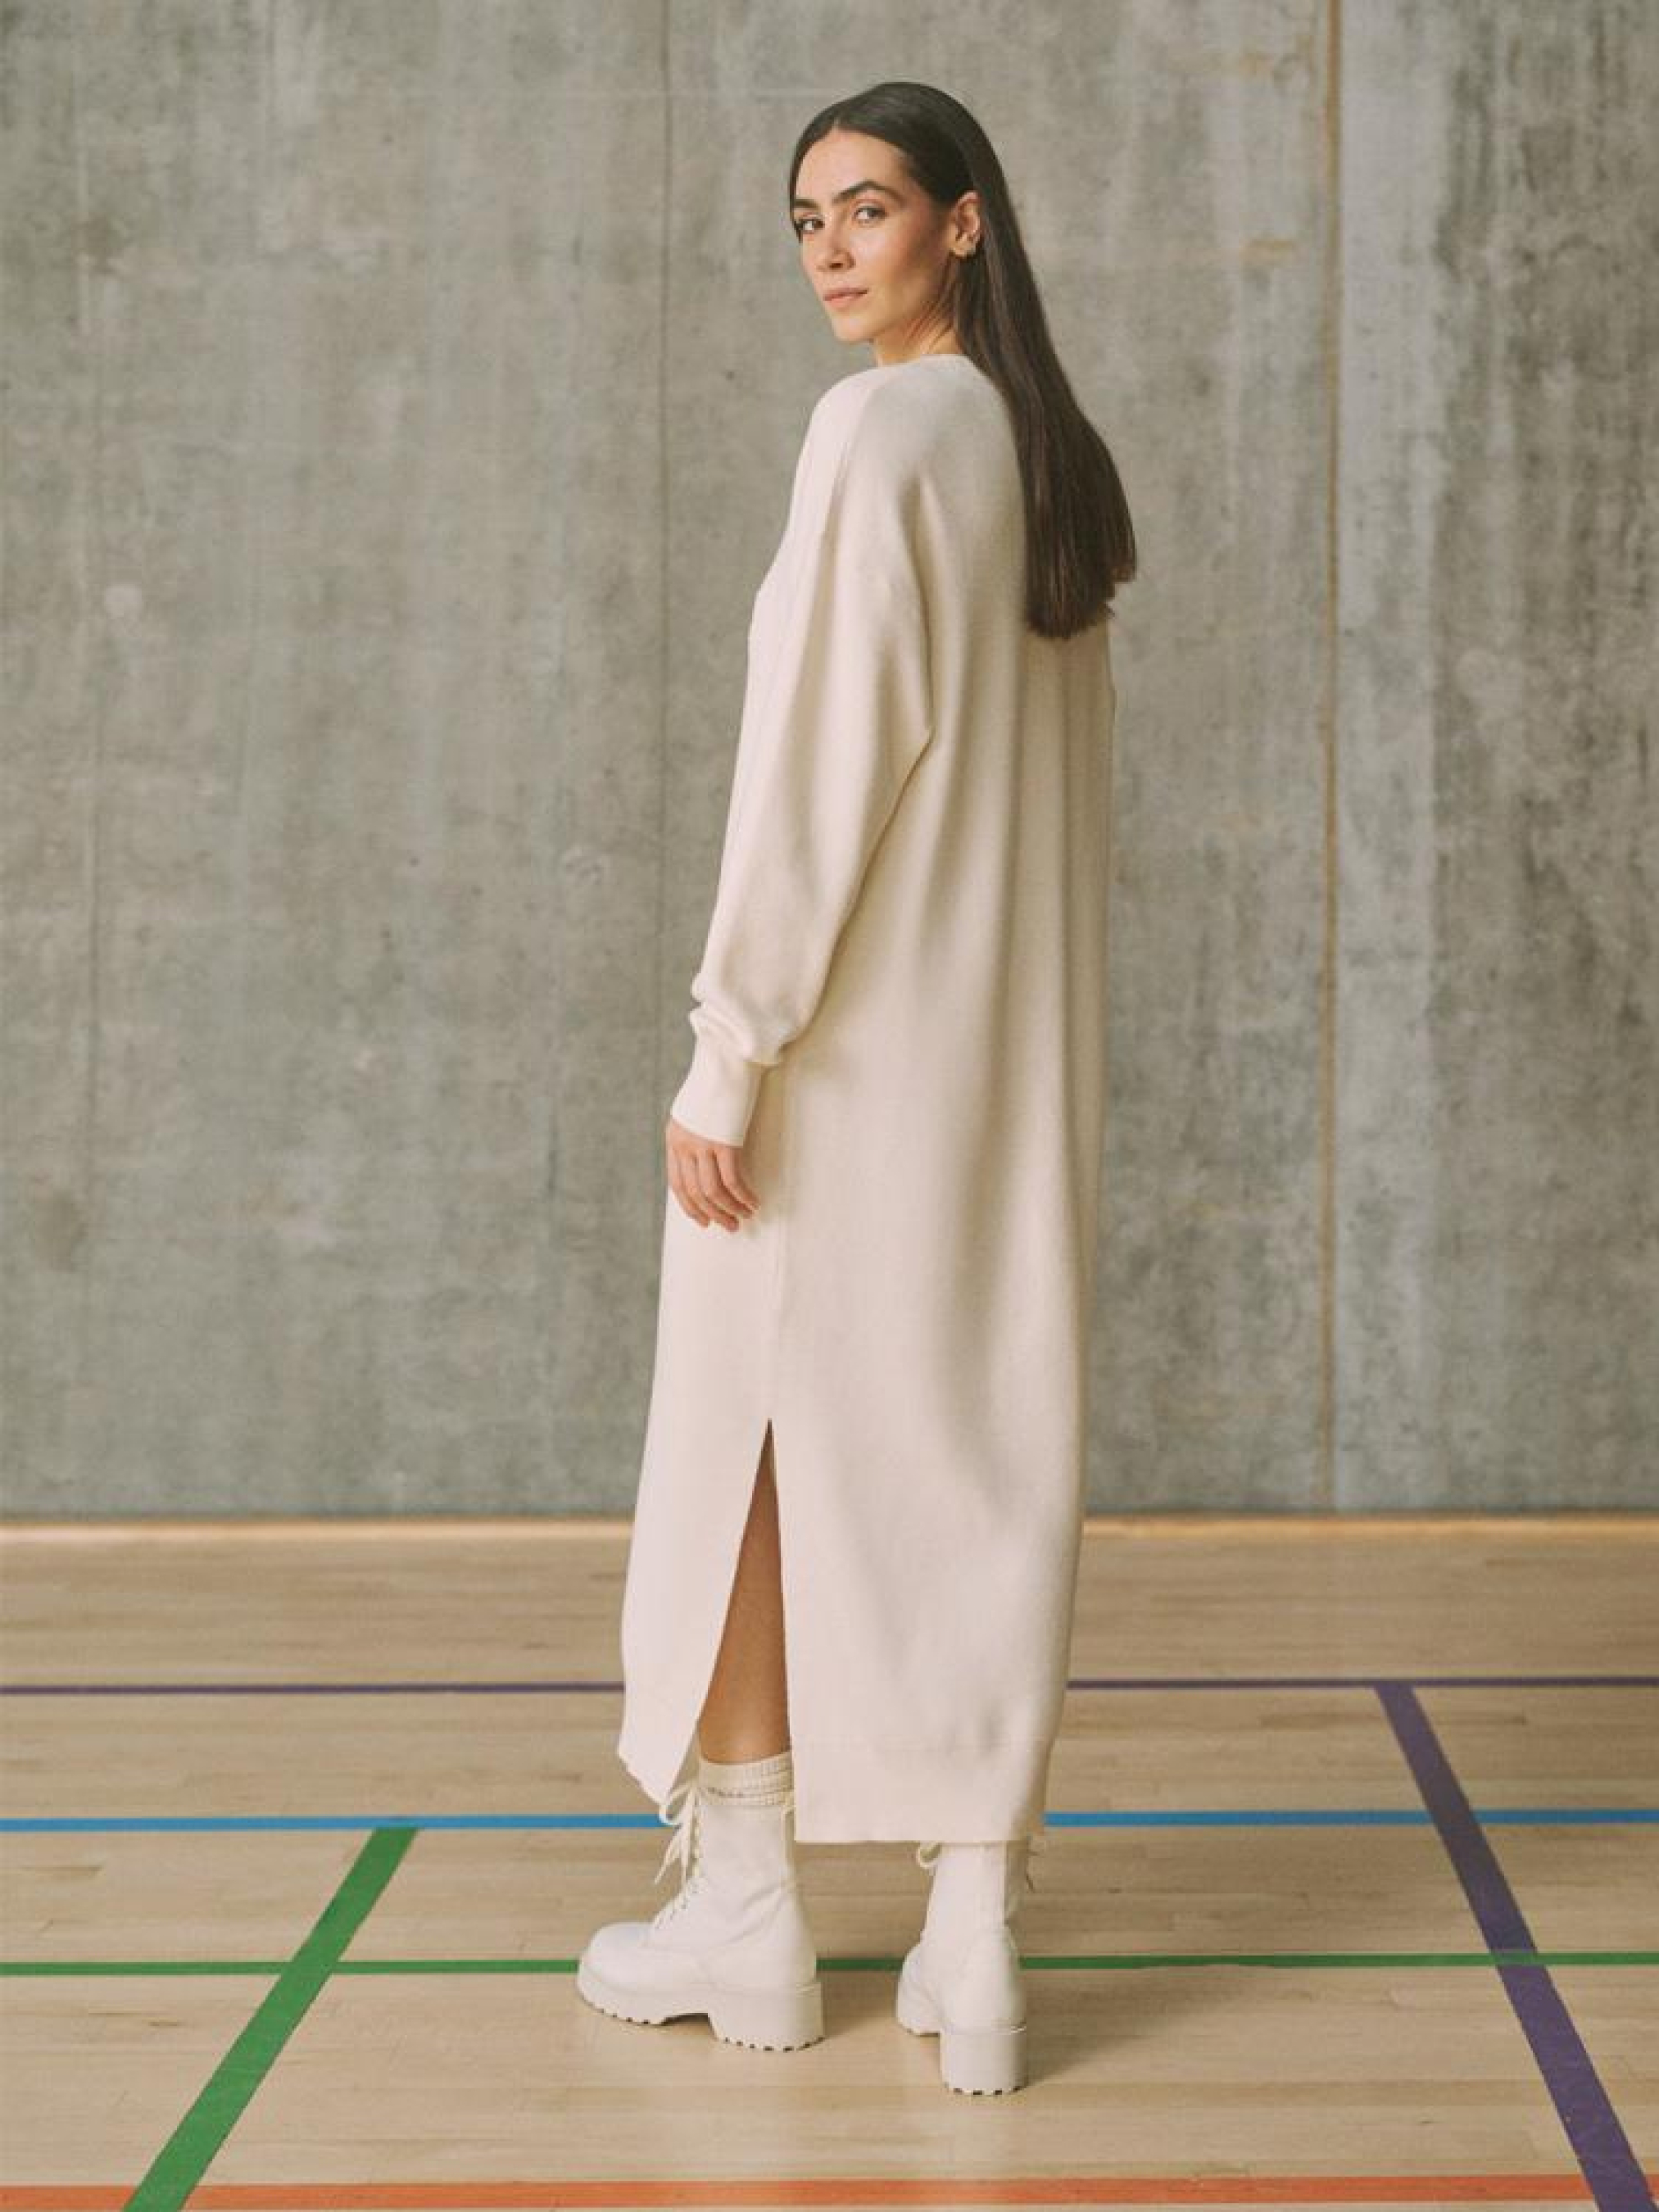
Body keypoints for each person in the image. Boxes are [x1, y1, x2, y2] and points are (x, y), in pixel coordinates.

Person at [578, 79, 1135, 2096]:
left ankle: (746, 1905)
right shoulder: (1043, 460)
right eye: (805, 217)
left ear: (961, 224)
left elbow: (821, 769)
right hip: (1003, 1071)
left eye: (869, 208)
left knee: (741, 1447)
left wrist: (729, 1047)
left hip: (843, 1057)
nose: (828, 248)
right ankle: (969, 1930)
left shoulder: (877, 433)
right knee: (971, 1458)